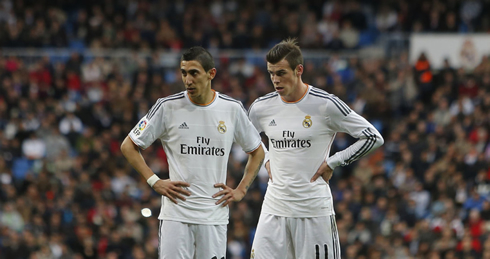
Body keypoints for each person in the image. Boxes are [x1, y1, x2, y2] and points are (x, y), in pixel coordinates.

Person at [120, 46, 264, 259]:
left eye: (194, 73)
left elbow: (257, 151)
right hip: (176, 216)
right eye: (184, 72)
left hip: (213, 217)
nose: (188, 79)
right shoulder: (167, 107)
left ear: (211, 74)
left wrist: (241, 190)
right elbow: (128, 145)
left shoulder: (232, 109)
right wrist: (154, 181)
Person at [248, 39, 384, 259]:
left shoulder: (326, 104)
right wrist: (266, 159)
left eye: (281, 73)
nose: (275, 80)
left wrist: (334, 162)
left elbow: (372, 137)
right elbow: (248, 137)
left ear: (299, 70)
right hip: (274, 208)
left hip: (313, 210)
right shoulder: (261, 107)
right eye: (271, 73)